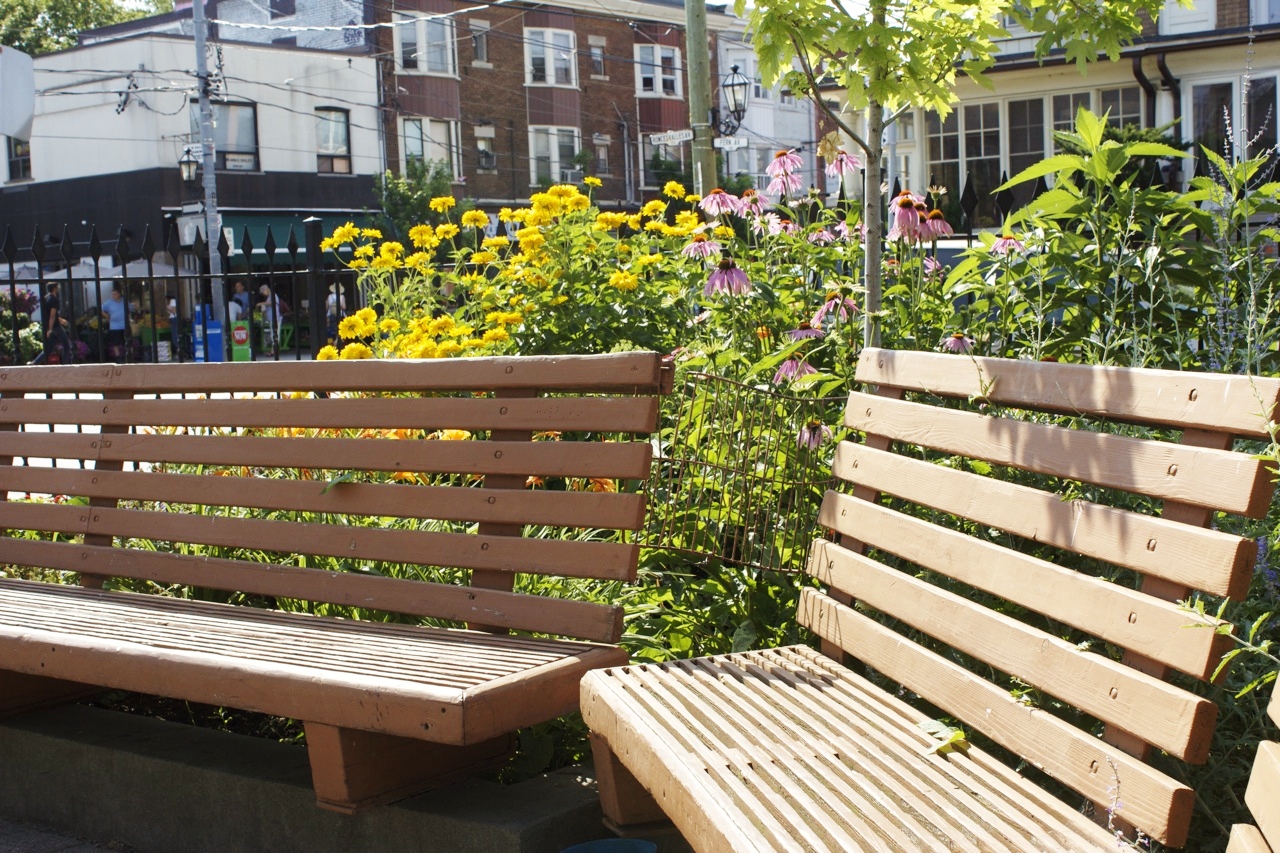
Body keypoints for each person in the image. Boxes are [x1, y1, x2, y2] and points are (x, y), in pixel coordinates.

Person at [38, 282, 71, 365]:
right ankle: (66, 364)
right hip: (55, 326)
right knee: (66, 346)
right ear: (54, 288)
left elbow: (52, 314)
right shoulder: (54, 300)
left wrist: (61, 320)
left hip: (52, 325)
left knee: (49, 348)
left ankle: (35, 362)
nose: (58, 288)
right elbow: (52, 316)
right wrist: (50, 329)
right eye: (57, 287)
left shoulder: (47, 298)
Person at [101, 287, 128, 360]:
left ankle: (128, 355)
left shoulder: (124, 301)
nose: (113, 296)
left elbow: (131, 307)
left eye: (115, 294)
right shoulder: (109, 303)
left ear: (119, 294)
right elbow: (101, 309)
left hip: (125, 325)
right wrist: (107, 316)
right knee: (115, 343)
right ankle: (118, 357)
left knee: (127, 341)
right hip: (114, 326)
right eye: (112, 294)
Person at [256, 284, 286, 349]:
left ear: (266, 290)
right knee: (273, 333)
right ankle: (273, 349)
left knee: (275, 333)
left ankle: (274, 349)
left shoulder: (273, 295)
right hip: (271, 318)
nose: (263, 294)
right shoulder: (268, 297)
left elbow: (271, 303)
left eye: (263, 292)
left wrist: (261, 303)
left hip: (276, 318)